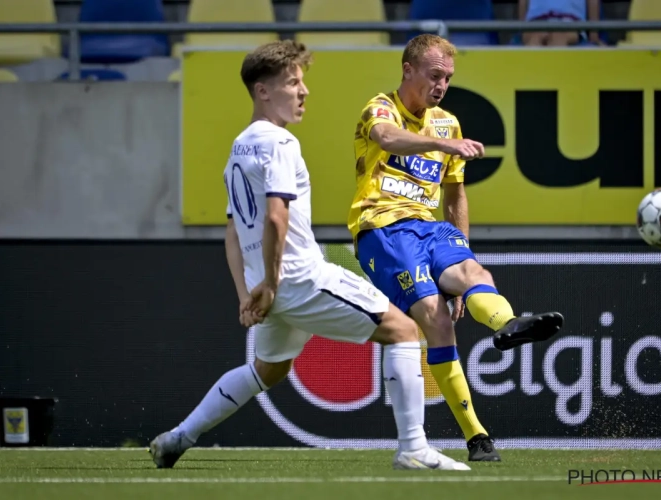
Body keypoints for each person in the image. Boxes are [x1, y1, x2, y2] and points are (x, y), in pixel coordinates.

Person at [149, 40, 469, 471]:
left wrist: (250, 292)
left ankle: (177, 438)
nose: (304, 92)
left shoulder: (239, 147)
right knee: (404, 331)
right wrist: (274, 284)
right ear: (263, 91)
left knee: (267, 370)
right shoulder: (280, 142)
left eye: (302, 82)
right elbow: (276, 220)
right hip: (297, 277)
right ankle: (413, 447)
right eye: (293, 83)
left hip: (268, 285)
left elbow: (232, 230)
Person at [348, 34, 565, 462]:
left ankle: (507, 323)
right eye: (434, 75)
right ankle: (477, 436)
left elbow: (455, 196)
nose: (442, 85)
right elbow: (388, 139)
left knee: (475, 275)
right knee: (434, 317)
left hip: (431, 229)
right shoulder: (381, 108)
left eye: (447, 78)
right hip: (382, 227)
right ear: (407, 70)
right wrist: (443, 145)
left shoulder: (448, 122)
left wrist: (461, 249)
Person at [518, 0, 604, 46]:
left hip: (570, 20)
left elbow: (593, 1)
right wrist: (523, 27)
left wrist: (594, 35)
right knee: (535, 38)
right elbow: (523, 2)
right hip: (536, 19)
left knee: (559, 36)